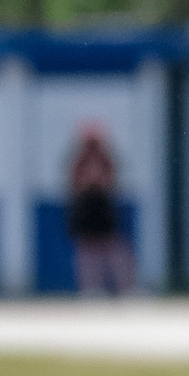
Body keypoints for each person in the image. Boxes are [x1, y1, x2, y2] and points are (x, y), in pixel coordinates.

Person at [65, 121, 135, 296]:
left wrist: (97, 181)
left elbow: (111, 182)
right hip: (85, 207)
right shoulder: (79, 160)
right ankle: (90, 290)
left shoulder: (105, 159)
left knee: (114, 248)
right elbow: (74, 183)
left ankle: (126, 289)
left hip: (103, 207)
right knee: (87, 252)